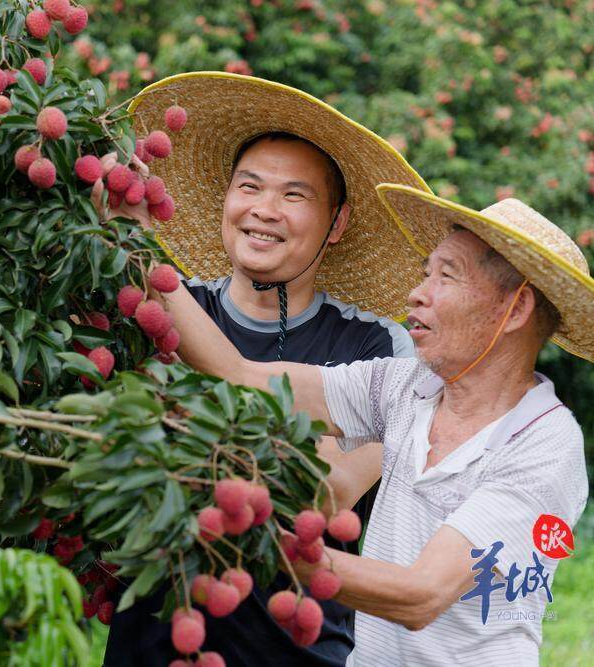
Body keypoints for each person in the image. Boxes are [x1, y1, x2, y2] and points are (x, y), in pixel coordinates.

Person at [162, 183, 592, 665]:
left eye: (446, 277)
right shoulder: (404, 387)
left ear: (515, 309)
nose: (417, 294)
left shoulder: (545, 443)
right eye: (425, 274)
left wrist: (261, 541)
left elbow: (422, 594)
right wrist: (137, 254)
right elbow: (241, 376)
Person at [101, 72, 433, 666]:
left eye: (294, 196)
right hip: (152, 646)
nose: (264, 210)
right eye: (249, 186)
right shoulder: (151, 309)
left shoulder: (377, 347)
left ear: (336, 224)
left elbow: (329, 491)